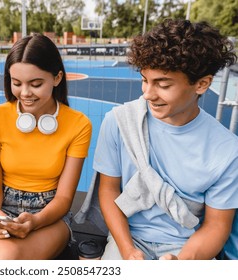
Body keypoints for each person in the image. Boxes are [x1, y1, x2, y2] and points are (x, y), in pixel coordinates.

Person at [76, 18, 238, 260]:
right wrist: (128, 250)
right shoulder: (119, 121)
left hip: (188, 246)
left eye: (162, 84)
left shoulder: (227, 150)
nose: (148, 94)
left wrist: (181, 263)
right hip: (127, 239)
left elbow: (216, 226)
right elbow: (108, 190)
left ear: (202, 84)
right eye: (144, 80)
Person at [0, 33, 92, 259]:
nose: (25, 93)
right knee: (5, 251)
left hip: (50, 214)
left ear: (57, 77)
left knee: (7, 254)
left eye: (36, 84)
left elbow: (63, 199)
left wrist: (35, 221)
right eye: (17, 83)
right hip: (3, 208)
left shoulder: (79, 125)